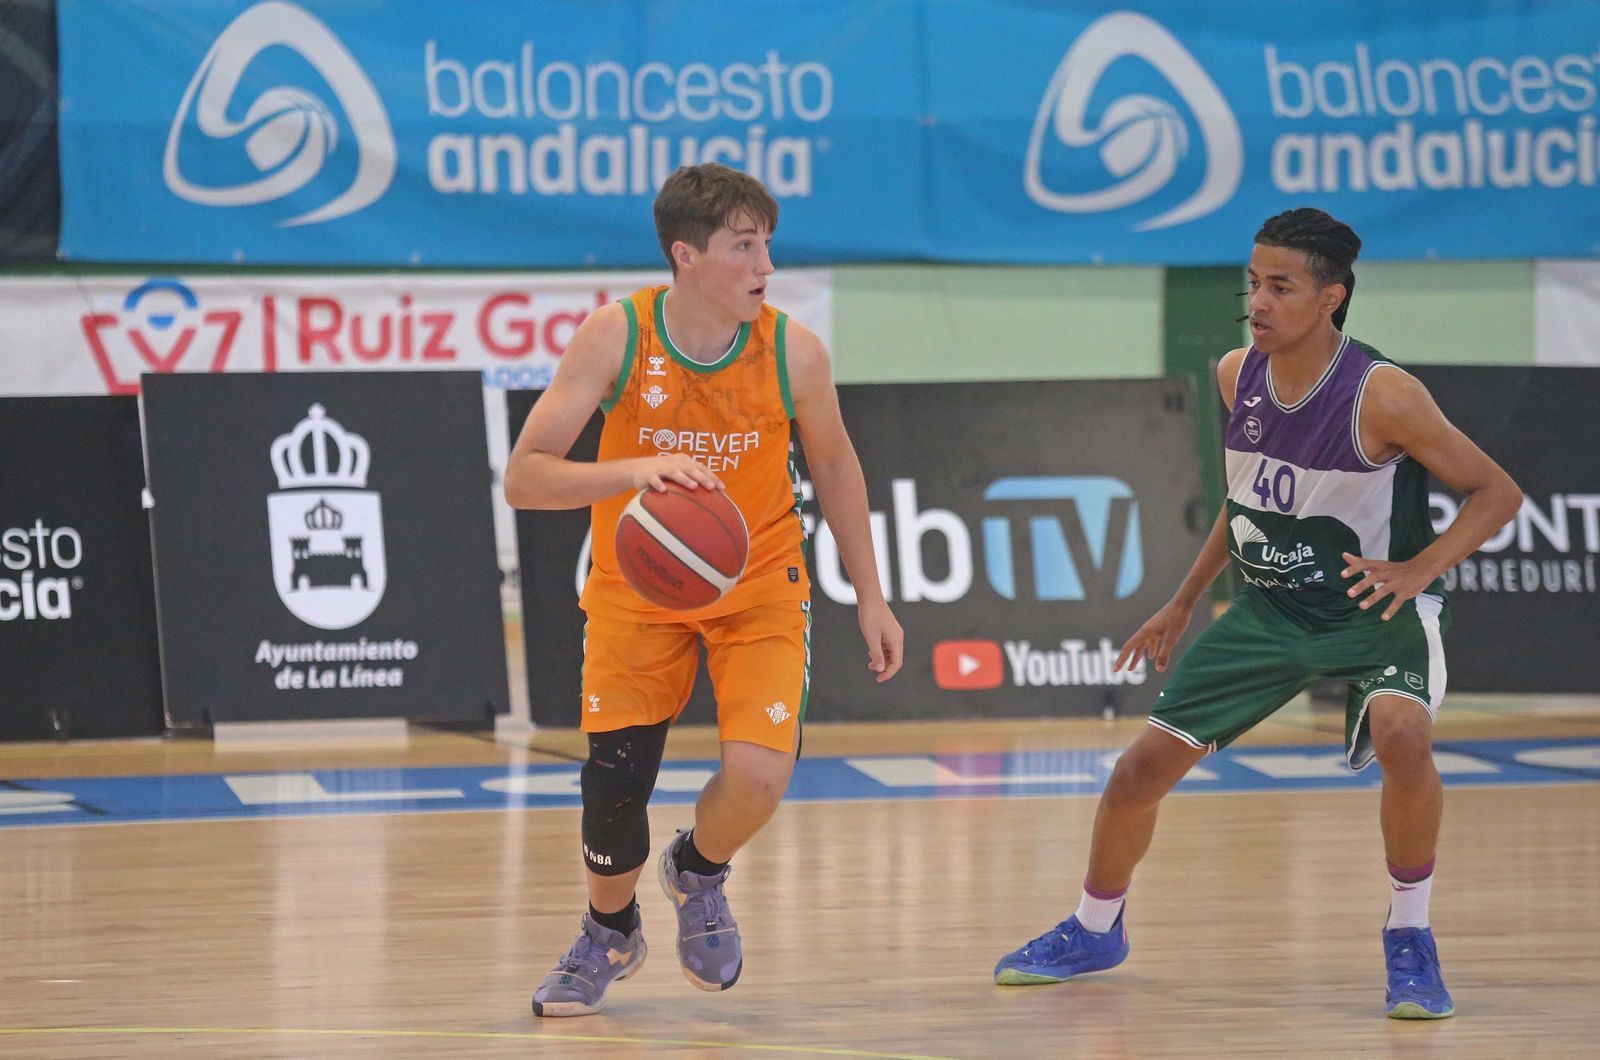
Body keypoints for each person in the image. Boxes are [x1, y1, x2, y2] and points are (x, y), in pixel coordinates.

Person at [992, 208, 1521, 1020]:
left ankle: (1408, 935)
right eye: (1253, 284)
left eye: (1280, 286)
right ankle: (1097, 927)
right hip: (1269, 609)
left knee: (1404, 738)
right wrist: (1182, 600)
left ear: (1330, 299)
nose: (1258, 302)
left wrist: (1421, 569)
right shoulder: (1237, 373)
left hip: (1368, 606)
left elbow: (1498, 492)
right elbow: (1243, 501)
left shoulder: (1385, 393)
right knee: (1135, 775)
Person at [505, 162, 903, 1018]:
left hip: (758, 579)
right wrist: (634, 469)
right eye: (743, 246)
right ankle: (609, 933)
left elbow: (833, 462)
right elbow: (525, 479)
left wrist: (872, 594)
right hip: (637, 588)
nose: (764, 265)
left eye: (768, 244)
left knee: (760, 777)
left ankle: (697, 870)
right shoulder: (616, 335)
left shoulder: (794, 350)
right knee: (613, 787)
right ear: (686, 256)